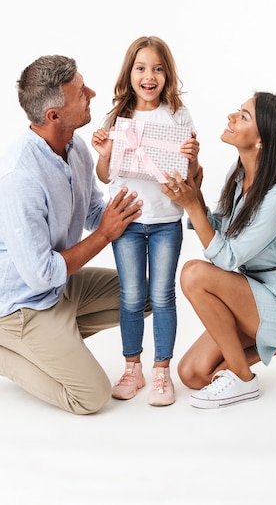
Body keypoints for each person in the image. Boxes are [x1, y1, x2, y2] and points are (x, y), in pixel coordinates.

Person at [0, 54, 151, 415]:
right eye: (81, 93)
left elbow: (95, 212)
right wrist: (106, 236)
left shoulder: (75, 147)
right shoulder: (17, 179)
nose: (92, 93)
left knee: (145, 296)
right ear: (54, 116)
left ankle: (52, 346)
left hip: (59, 288)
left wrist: (143, 199)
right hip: (18, 306)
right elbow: (42, 274)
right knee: (90, 397)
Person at [161, 91, 276, 409]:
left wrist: (192, 207)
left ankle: (244, 381)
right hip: (256, 296)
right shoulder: (239, 174)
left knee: (194, 274)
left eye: (243, 116)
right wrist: (192, 196)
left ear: (262, 140)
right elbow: (221, 228)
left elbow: (227, 258)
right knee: (193, 374)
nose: (231, 117)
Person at [91, 36, 199, 406]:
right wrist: (105, 153)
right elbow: (106, 176)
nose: (148, 76)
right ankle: (132, 368)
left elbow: (191, 176)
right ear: (130, 73)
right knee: (132, 297)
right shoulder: (119, 118)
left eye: (157, 68)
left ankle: (162, 372)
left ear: (167, 75)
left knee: (162, 296)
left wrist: (194, 158)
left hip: (167, 220)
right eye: (141, 68)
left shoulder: (179, 116)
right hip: (128, 221)